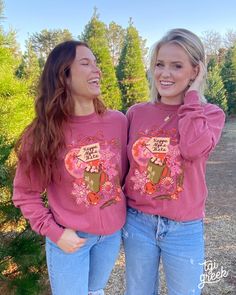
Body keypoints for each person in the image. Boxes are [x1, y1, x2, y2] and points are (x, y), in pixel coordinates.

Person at [13, 40, 127, 295]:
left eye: (96, 63)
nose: (97, 70)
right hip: (70, 240)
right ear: (63, 76)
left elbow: (127, 176)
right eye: (86, 63)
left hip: (110, 237)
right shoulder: (42, 133)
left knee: (95, 291)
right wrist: (56, 233)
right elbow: (25, 194)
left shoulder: (118, 122)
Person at [123, 28, 225, 295]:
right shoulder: (136, 113)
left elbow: (192, 149)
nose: (164, 74)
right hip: (138, 222)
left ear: (195, 71)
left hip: (184, 227)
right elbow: (124, 169)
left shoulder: (210, 115)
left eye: (176, 66)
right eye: (159, 64)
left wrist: (191, 98)